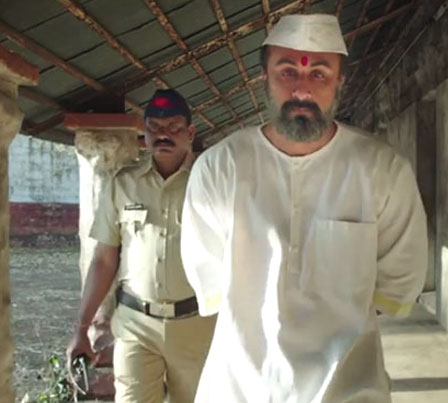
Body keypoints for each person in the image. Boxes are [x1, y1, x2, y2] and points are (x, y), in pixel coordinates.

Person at [181, 14, 428, 403]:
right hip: (239, 390)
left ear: (339, 83)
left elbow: (398, 280)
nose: (302, 89)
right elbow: (208, 276)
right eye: (287, 72)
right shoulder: (219, 168)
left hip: (349, 391)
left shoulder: (382, 170)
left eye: (319, 74)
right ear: (264, 78)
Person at [66, 89, 216, 402]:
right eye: (154, 128)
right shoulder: (123, 183)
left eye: (173, 127)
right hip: (136, 325)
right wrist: (81, 329)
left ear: (190, 133)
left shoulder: (212, 183)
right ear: (144, 134)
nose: (163, 135)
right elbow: (104, 260)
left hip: (197, 326)